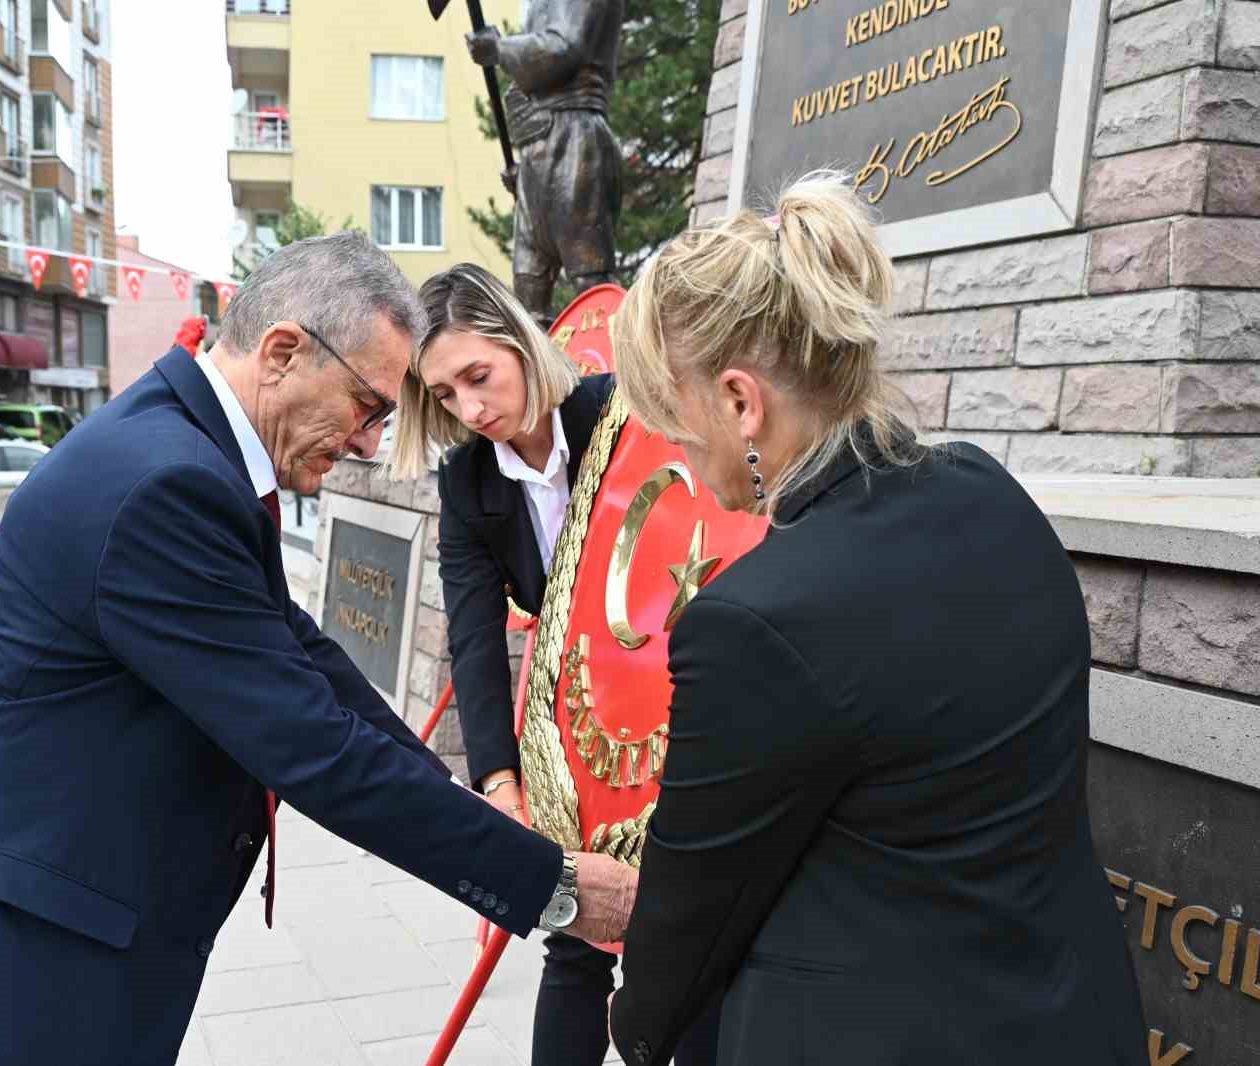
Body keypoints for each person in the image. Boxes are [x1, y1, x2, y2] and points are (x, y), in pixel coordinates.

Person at [0, 233, 638, 1066]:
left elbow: (309, 661)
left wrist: (454, 794)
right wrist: (553, 885)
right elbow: (309, 744)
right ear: (282, 351)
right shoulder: (167, 484)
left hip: (50, 937)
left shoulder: (189, 453)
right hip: (8, 968)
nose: (371, 443)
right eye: (370, 407)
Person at [603, 173, 1147, 1066]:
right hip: (1071, 1011)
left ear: (742, 403)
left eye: (676, 417)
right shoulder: (991, 491)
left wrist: (634, 1027)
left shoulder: (756, 621)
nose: (680, 452)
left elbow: (696, 902)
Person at [391, 263, 719, 1066]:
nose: (471, 409)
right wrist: (501, 786)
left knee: (698, 943)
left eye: (479, 376)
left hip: (689, 715)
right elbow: (474, 637)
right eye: (444, 394)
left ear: (521, 342)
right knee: (576, 937)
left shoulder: (622, 413)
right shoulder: (466, 478)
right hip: (580, 733)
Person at [465, 0, 624, 326]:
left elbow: (565, 48)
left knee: (590, 278)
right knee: (528, 286)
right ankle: (536, 370)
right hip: (539, 149)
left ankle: (614, 367)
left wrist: (500, 48)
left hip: (574, 138)